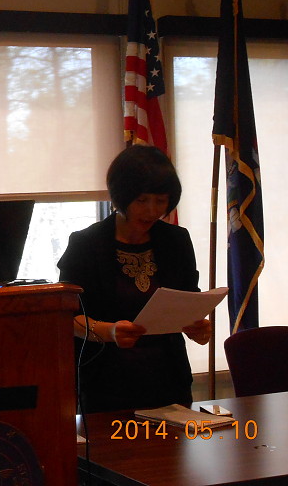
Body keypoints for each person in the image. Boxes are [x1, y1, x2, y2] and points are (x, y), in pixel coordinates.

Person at [58, 144, 212, 413]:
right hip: (106, 385)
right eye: (142, 201)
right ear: (121, 196)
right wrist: (110, 331)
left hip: (170, 383)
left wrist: (198, 327)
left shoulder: (176, 240)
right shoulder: (86, 244)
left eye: (161, 201)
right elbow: (67, 318)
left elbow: (189, 300)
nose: (152, 211)